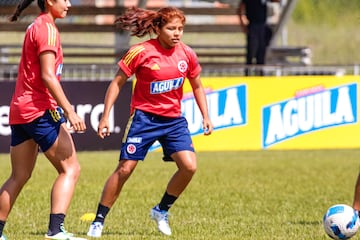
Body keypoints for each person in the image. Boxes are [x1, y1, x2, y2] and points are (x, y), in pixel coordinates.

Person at [87, 6, 213, 238]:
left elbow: (196, 85)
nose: (177, 33)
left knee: (189, 166)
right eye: (171, 28)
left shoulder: (187, 54)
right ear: (157, 28)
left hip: (174, 120)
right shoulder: (140, 52)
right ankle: (98, 221)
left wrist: (205, 115)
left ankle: (161, 210)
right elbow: (117, 83)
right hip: (144, 119)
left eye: (181, 29)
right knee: (125, 168)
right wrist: (105, 116)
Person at [0, 0, 87, 239]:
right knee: (71, 169)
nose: (69, 4)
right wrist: (69, 110)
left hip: (21, 110)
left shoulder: (37, 26)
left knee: (19, 175)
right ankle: (55, 231)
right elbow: (48, 76)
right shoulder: (47, 29)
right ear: (49, 1)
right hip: (38, 109)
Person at [237, 0, 279, 76]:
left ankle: (260, 75)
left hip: (262, 26)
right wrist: (243, 25)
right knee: (251, 52)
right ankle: (248, 75)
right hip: (253, 26)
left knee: (261, 53)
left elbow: (276, 1)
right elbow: (240, 9)